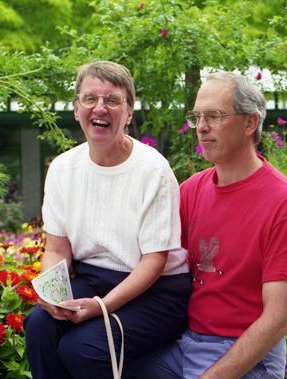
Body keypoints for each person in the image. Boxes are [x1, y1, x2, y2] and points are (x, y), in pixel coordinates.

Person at [130, 71, 287, 379]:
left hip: (246, 354)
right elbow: (155, 263)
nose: (201, 127)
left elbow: (276, 319)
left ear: (250, 123)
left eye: (215, 116)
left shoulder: (286, 204)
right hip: (185, 342)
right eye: (197, 116)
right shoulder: (190, 191)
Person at [25, 60, 191, 379]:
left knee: (82, 349)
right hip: (91, 277)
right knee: (39, 326)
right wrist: (52, 294)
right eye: (90, 99)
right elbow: (57, 249)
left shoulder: (152, 171)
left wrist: (101, 307)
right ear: (76, 109)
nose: (100, 108)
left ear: (128, 113)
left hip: (156, 291)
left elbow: (154, 261)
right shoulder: (62, 168)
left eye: (112, 100)